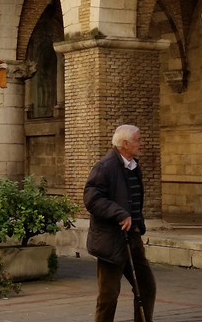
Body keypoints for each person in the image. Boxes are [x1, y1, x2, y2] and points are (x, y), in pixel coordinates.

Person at [83, 124, 156, 322]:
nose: (141, 143)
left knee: (146, 286)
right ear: (125, 144)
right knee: (109, 295)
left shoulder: (134, 166)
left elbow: (134, 200)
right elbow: (92, 199)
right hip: (111, 242)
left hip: (132, 238)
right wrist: (119, 214)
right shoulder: (105, 166)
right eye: (138, 140)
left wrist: (138, 224)